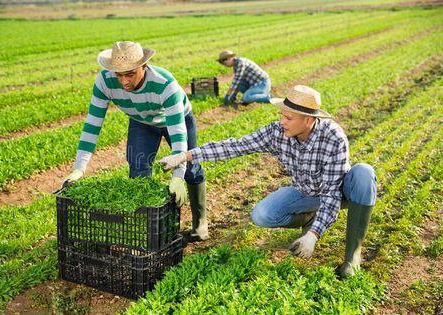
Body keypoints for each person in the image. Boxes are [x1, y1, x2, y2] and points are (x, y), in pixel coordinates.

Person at [160, 85, 377, 277]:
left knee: (363, 174)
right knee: (262, 214)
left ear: (309, 120)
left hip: (339, 192)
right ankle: (309, 218)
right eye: (282, 115)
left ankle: (352, 257)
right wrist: (186, 156)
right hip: (306, 192)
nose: (282, 122)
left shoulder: (333, 138)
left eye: (289, 118)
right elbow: (235, 146)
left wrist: (313, 236)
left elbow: (331, 195)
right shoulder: (276, 132)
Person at [63, 41, 209, 241]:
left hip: (176, 120)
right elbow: (92, 125)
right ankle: (149, 232)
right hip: (141, 121)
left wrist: (177, 175)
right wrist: (79, 168)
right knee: (138, 168)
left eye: (130, 74)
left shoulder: (165, 84)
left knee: (191, 169)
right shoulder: (104, 82)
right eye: (119, 74)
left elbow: (178, 133)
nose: (124, 81)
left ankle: (200, 223)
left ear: (144, 66)